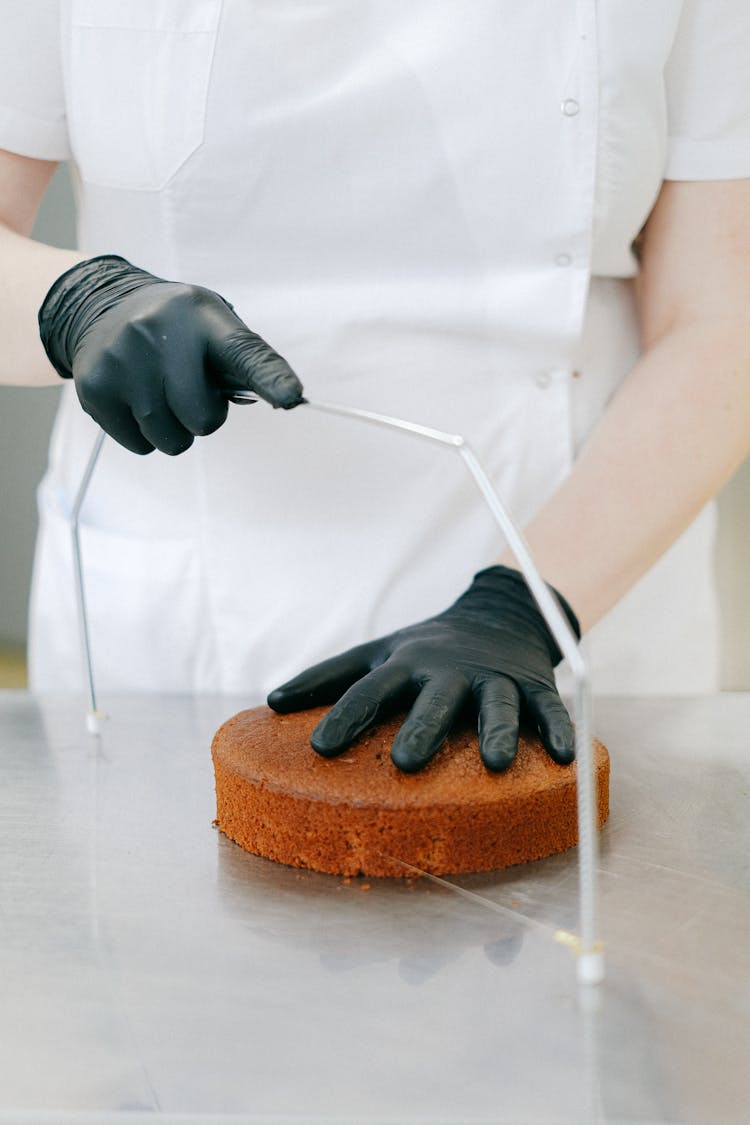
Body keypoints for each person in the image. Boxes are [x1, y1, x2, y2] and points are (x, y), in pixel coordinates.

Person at [1, 2, 749, 770]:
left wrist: (524, 605)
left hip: (573, 584)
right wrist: (72, 301)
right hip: (177, 632)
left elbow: (721, 319)